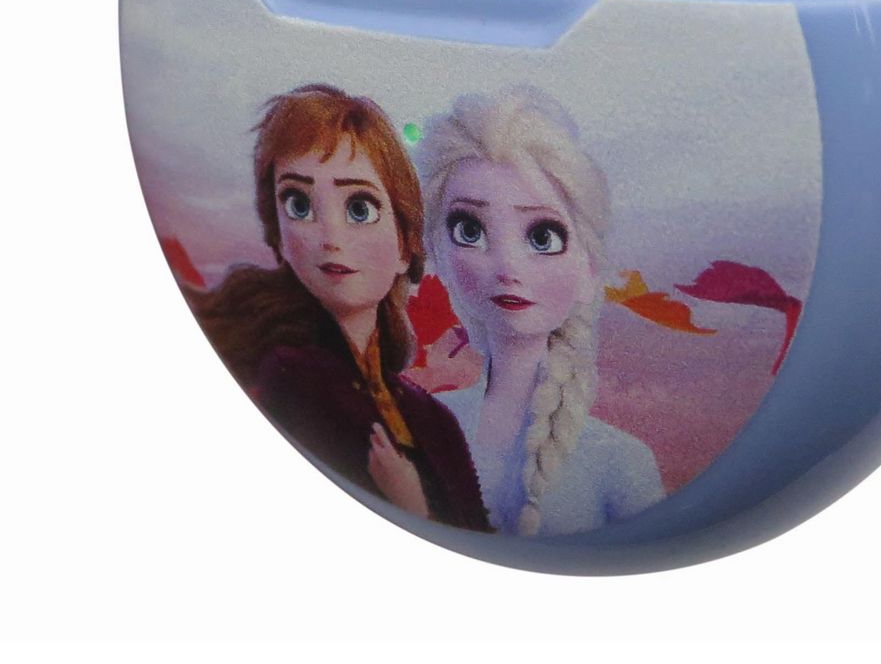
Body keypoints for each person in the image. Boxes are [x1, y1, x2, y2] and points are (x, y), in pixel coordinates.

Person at [189, 83, 490, 532]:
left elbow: (476, 533)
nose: (330, 237)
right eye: (298, 204)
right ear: (278, 237)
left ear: (405, 245)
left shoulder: (433, 419)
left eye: (359, 209)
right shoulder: (290, 377)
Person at [417, 87, 665, 536]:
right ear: (437, 252)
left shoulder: (619, 462)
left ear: (589, 269)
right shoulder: (421, 426)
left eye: (542, 237)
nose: (507, 268)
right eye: (469, 230)